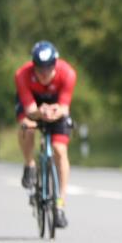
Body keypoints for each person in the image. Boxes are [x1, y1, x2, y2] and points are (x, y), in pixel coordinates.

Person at [15, 40, 76, 229]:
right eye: (39, 69)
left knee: (59, 150)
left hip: (57, 108)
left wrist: (54, 112)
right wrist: (39, 113)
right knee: (27, 127)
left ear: (55, 64)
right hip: (33, 107)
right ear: (33, 65)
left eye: (49, 68)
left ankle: (60, 204)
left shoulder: (68, 73)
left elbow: (64, 107)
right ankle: (29, 164)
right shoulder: (22, 75)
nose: (44, 73)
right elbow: (30, 110)